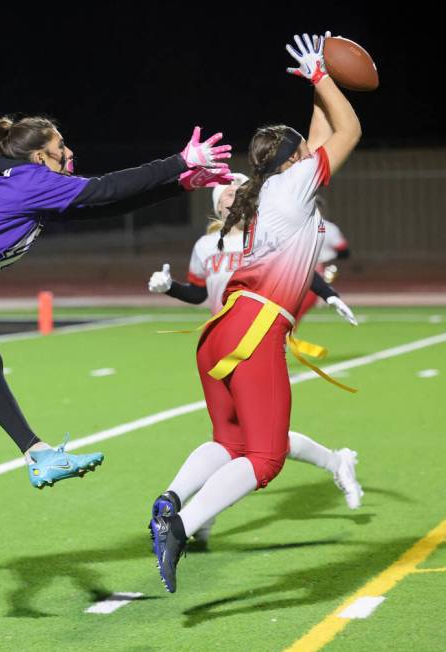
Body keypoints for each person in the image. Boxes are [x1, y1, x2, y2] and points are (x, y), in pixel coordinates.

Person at [0, 116, 231, 513]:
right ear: (39, 156)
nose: (69, 152)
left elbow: (101, 206)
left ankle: (38, 455)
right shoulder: (28, 181)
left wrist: (182, 184)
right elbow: (106, 188)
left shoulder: (30, 187)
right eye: (61, 145)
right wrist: (180, 161)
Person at [148, 32, 362, 592]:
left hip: (220, 330)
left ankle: (173, 502)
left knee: (232, 444)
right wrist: (321, 78)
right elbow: (349, 131)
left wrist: (316, 86)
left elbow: (320, 135)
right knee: (266, 459)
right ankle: (182, 525)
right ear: (296, 159)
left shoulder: (273, 189)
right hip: (255, 328)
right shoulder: (293, 186)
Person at [146, 174, 362, 548]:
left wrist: (328, 294)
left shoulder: (263, 235)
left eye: (241, 189)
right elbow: (199, 293)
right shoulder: (205, 245)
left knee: (254, 441)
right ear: (216, 204)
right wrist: (171, 290)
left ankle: (198, 519)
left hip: (256, 339)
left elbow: (301, 270)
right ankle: (335, 461)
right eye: (226, 190)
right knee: (244, 440)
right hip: (221, 342)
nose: (233, 193)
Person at [293, 193, 352, 323]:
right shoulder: (329, 228)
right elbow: (344, 252)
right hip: (311, 270)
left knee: (294, 313)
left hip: (308, 271)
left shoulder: (295, 227)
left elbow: (344, 252)